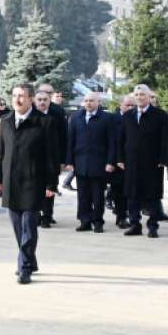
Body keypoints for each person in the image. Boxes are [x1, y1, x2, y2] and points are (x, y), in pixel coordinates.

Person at [0, 83, 59, 284]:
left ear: (31, 99)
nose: (17, 99)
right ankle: (29, 259)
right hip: (11, 181)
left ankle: (25, 267)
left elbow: (52, 156)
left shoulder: (45, 122)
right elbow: (0, 153)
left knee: (29, 226)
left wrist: (51, 184)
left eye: (22, 96)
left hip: (34, 181)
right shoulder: (5, 121)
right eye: (15, 95)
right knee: (17, 227)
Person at [118, 84, 168, 238]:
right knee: (132, 194)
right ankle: (135, 225)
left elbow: (165, 140)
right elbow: (121, 139)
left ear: (149, 97)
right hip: (131, 162)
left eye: (142, 94)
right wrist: (119, 158)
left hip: (152, 162)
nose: (139, 97)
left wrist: (163, 158)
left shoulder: (160, 115)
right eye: (137, 94)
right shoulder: (127, 115)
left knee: (152, 195)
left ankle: (153, 226)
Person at [65, 91, 116, 233]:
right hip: (80, 163)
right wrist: (69, 161)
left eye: (91, 100)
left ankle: (98, 222)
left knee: (98, 196)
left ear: (98, 102)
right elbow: (70, 140)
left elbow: (112, 142)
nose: (88, 103)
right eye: (86, 100)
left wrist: (110, 162)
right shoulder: (76, 117)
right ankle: (84, 221)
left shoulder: (107, 118)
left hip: (99, 164)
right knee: (83, 196)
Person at [33, 88, 66, 227]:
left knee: (50, 187)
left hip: (52, 157)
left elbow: (64, 136)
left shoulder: (57, 114)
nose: (42, 102)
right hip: (33, 159)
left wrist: (63, 159)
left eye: (45, 100)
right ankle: (36, 216)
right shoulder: (29, 115)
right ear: (34, 101)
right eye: (39, 100)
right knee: (34, 189)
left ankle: (47, 216)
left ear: (49, 101)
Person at [107, 98, 133, 227]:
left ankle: (131, 216)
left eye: (132, 105)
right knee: (119, 191)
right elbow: (110, 141)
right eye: (127, 105)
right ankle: (121, 217)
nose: (130, 107)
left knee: (131, 191)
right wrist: (112, 161)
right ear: (120, 105)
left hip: (133, 161)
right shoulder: (112, 119)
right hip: (117, 162)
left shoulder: (136, 118)